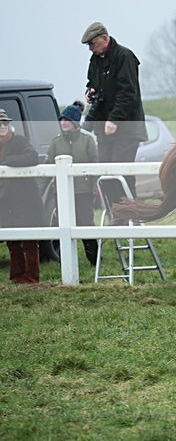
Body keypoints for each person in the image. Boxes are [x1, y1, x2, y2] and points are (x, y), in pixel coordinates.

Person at [81, 21, 147, 198]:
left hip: (126, 128)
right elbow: (92, 82)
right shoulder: (95, 60)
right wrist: (90, 92)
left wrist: (114, 119)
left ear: (104, 38)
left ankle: (128, 210)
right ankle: (113, 210)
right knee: (105, 173)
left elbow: (128, 93)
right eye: (88, 45)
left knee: (121, 173)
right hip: (103, 127)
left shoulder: (125, 56)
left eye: (92, 43)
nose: (90, 48)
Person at [46, 101, 100, 265]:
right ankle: (63, 259)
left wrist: (94, 186)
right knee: (62, 223)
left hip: (83, 191)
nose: (63, 123)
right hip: (60, 191)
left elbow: (95, 165)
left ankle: (94, 259)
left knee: (85, 223)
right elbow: (48, 166)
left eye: (67, 120)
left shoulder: (88, 141)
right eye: (61, 119)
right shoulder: (55, 142)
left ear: (75, 122)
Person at [0, 109, 46, 283]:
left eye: (4, 123)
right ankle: (16, 276)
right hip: (5, 200)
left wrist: (7, 163)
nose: (2, 127)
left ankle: (32, 277)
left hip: (25, 198)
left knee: (29, 240)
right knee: (12, 240)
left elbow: (32, 157)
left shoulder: (20, 141)